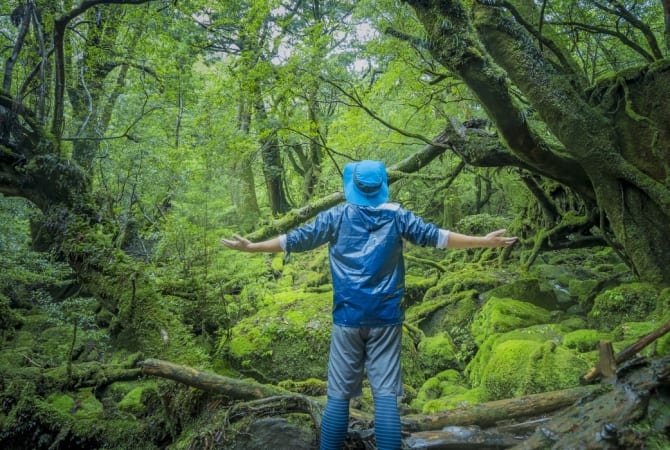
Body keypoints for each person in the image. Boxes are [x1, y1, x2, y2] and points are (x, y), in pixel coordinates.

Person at [221, 160, 517, 450]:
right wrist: (483, 241)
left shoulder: (336, 216)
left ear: (353, 187)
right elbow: (438, 238)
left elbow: (296, 239)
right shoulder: (397, 216)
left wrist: (253, 247)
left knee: (338, 396)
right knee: (385, 395)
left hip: (348, 317)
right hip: (386, 317)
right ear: (381, 188)